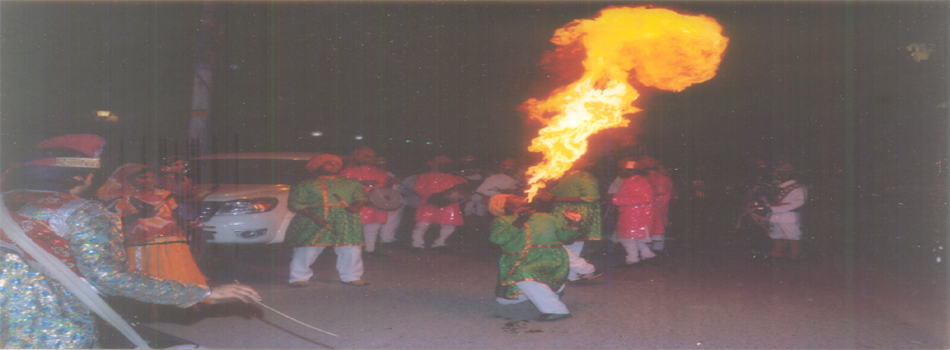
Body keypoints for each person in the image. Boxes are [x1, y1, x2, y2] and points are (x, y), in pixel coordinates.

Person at [0, 134, 260, 349]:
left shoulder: (6, 201)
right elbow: (109, 276)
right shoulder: (83, 211)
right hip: (50, 319)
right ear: (79, 176)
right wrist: (204, 292)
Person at [97, 163, 208, 287]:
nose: (149, 180)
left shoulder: (164, 194)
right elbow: (116, 222)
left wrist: (186, 224)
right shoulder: (122, 199)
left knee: (176, 272)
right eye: (143, 177)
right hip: (142, 244)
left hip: (172, 241)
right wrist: (140, 215)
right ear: (128, 179)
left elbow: (174, 214)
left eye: (151, 177)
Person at [489, 194, 581, 322]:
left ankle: (555, 310)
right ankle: (549, 290)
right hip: (519, 259)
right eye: (512, 198)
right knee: (504, 300)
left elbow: (566, 238)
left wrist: (574, 223)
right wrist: (519, 221)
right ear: (504, 206)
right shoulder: (502, 221)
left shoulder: (546, 217)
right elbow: (498, 239)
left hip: (551, 257)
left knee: (524, 275)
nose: (518, 197)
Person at [284, 154, 368, 287]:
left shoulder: (352, 183)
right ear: (318, 165)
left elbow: (360, 197)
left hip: (346, 219)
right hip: (314, 219)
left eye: (337, 164)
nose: (334, 166)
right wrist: (314, 217)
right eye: (329, 163)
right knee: (307, 249)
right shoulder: (305, 184)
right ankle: (298, 277)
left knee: (351, 249)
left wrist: (356, 206)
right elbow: (296, 204)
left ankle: (352, 276)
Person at [534, 156, 602, 281]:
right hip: (561, 213)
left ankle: (577, 273)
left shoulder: (585, 177)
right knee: (563, 243)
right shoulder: (562, 176)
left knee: (572, 243)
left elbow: (591, 197)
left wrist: (554, 199)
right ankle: (573, 275)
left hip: (578, 213)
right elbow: (552, 193)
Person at [340, 147, 391, 257]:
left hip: (376, 206)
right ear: (357, 157)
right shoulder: (348, 172)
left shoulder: (382, 173)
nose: (371, 159)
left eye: (373, 156)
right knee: (355, 229)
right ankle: (352, 252)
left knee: (373, 229)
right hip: (358, 206)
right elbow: (343, 187)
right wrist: (362, 183)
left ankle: (370, 251)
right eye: (367, 156)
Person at [410, 155, 468, 252]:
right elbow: (418, 188)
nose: (445, 166)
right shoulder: (424, 176)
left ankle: (440, 243)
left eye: (448, 164)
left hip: (450, 206)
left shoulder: (458, 178)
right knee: (422, 225)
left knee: (449, 226)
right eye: (441, 163)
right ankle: (417, 244)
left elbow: (466, 192)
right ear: (433, 164)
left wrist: (462, 198)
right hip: (429, 204)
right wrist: (430, 196)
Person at [157, 155, 205, 258]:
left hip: (189, 210)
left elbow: (191, 192)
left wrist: (195, 197)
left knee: (194, 234)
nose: (181, 167)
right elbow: (166, 197)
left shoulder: (186, 179)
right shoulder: (163, 180)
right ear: (168, 167)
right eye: (176, 165)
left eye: (183, 164)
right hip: (173, 210)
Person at [611, 157, 657, 266]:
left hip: (635, 215)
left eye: (623, 170)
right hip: (631, 214)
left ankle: (632, 259)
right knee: (634, 238)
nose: (621, 172)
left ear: (632, 171)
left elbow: (646, 198)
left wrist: (617, 199)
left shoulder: (638, 181)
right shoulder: (631, 181)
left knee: (628, 238)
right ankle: (648, 255)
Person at [765, 162, 807, 260]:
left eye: (784, 173)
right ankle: (778, 252)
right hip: (775, 215)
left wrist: (774, 208)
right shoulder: (777, 187)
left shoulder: (798, 187)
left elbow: (799, 202)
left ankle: (795, 255)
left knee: (793, 235)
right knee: (775, 234)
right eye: (780, 172)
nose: (780, 175)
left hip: (788, 215)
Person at [641, 156, 674, 253]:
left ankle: (653, 248)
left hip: (654, 206)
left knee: (652, 226)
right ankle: (657, 248)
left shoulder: (646, 179)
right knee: (659, 226)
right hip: (661, 205)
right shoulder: (664, 178)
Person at [376, 157, 403, 248]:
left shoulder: (390, 174)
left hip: (391, 201)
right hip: (378, 201)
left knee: (391, 221)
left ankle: (387, 240)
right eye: (379, 164)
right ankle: (383, 240)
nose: (382, 166)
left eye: (383, 164)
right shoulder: (373, 174)